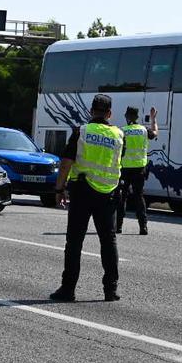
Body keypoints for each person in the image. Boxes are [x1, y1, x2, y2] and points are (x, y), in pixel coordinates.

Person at [49, 93, 125, 303]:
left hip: (82, 191)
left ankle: (68, 289)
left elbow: (66, 163)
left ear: (91, 111)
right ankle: (110, 290)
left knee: (74, 242)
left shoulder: (81, 131)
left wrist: (59, 189)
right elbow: (120, 162)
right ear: (109, 114)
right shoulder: (119, 135)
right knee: (108, 241)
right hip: (108, 193)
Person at [116, 105, 158, 235]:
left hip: (124, 169)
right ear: (137, 117)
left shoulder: (122, 131)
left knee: (122, 197)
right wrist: (153, 119)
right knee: (139, 197)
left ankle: (118, 227)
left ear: (127, 117)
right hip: (140, 169)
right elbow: (155, 132)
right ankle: (143, 227)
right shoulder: (144, 130)